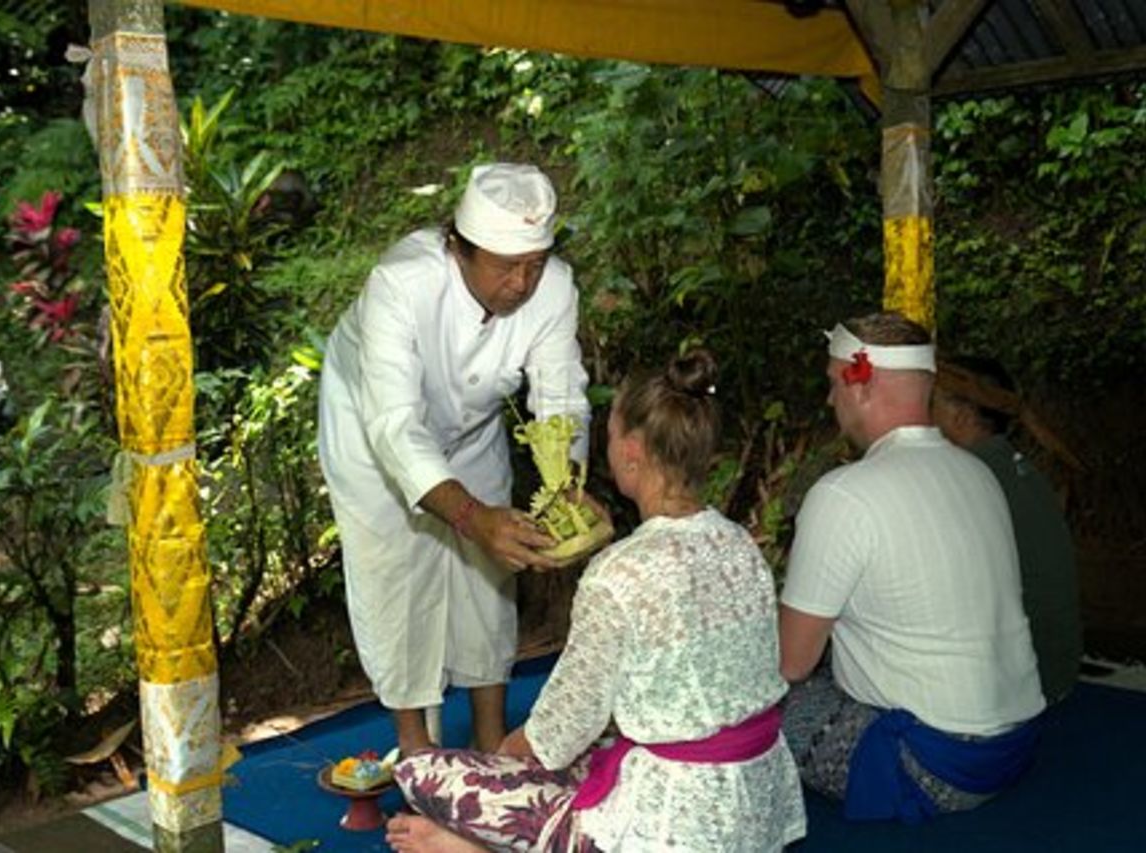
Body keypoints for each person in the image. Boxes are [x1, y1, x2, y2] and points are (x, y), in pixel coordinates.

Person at [386, 349, 806, 853]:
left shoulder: (618, 573)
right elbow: (665, 596)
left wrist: (500, 759)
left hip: (675, 824)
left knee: (422, 770)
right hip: (754, 803)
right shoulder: (739, 542)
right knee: (604, 747)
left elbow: (559, 731)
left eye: (607, 436)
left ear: (630, 452)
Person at [317, 163, 597, 756]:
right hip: (371, 431)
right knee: (395, 573)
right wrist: (470, 516)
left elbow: (560, 397)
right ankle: (417, 747)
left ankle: (492, 738)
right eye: (506, 266)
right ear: (459, 249)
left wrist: (566, 486)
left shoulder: (555, 287)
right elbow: (394, 426)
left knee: (490, 575)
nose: (523, 283)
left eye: (535, 264)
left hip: (472, 432)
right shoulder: (402, 283)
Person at [779, 312, 1046, 823]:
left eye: (834, 384)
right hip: (1015, 744)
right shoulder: (979, 473)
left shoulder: (843, 494)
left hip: (933, 765)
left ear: (862, 386)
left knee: (749, 700)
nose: (830, 400)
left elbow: (789, 664)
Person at [932, 355, 1082, 704]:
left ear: (960, 416)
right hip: (1055, 672)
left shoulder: (968, 481)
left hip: (1020, 690)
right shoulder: (1020, 471)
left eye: (930, 404)